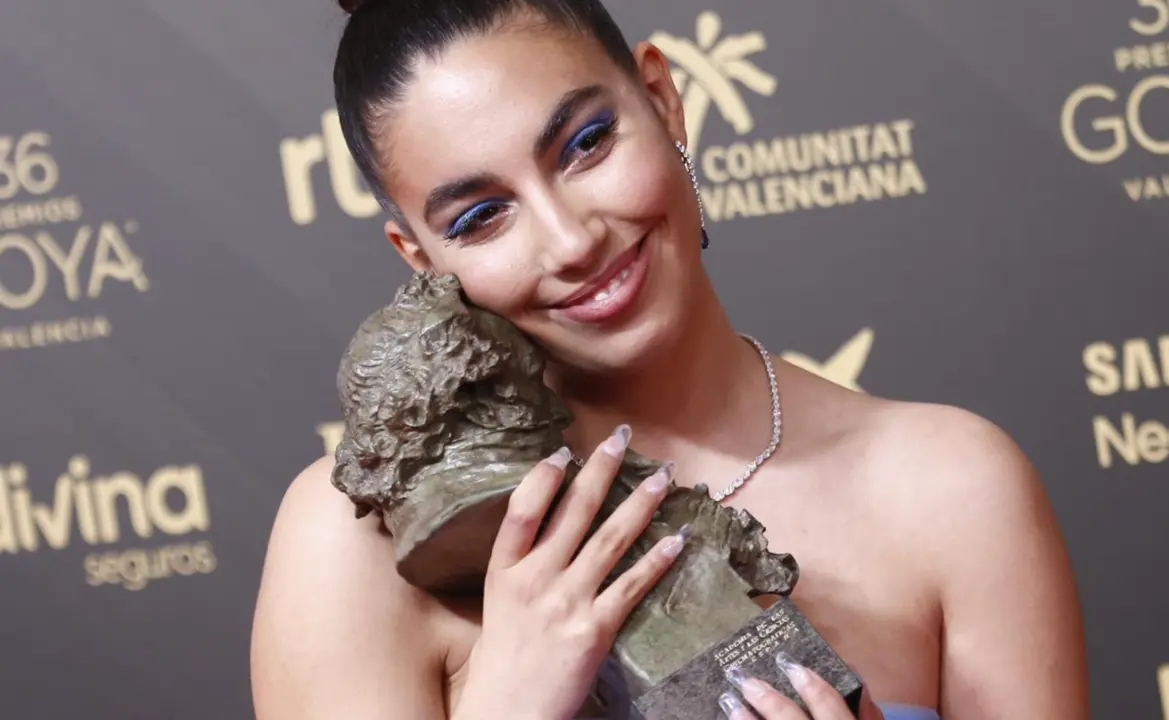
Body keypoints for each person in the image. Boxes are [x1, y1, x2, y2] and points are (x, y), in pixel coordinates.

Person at [249, 0, 1090, 718]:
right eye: (481, 218)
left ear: (662, 98)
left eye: (585, 143)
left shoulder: (952, 491)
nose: (572, 239)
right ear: (422, 259)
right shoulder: (354, 547)